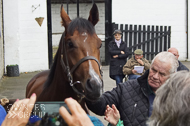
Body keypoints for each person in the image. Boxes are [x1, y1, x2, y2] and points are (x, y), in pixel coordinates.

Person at [86, 52, 179, 126]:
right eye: (153, 70)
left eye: (162, 74)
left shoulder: (180, 98)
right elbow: (101, 105)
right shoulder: (127, 88)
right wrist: (88, 90)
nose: (155, 76)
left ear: (172, 75)